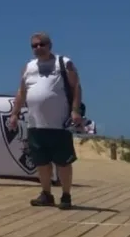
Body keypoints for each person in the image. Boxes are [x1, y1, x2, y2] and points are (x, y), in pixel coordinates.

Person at [8, 32, 83, 210]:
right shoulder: (28, 67)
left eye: (41, 44)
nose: (38, 48)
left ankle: (66, 195)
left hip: (60, 124)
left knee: (63, 162)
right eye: (34, 45)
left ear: (50, 45)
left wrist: (75, 111)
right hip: (35, 124)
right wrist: (14, 113)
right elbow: (22, 92)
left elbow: (76, 87)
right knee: (41, 162)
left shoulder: (64, 63)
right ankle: (46, 194)